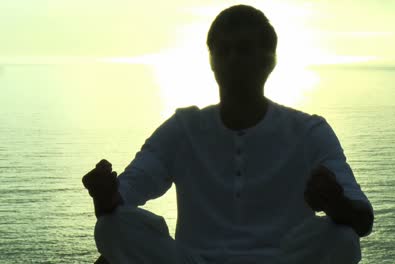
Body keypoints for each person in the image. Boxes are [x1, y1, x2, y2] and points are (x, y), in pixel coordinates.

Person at [82, 4, 374, 264]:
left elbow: (362, 219)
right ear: (211, 61)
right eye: (223, 50)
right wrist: (105, 195)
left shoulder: (309, 132)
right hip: (195, 260)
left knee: (343, 238)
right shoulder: (183, 129)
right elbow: (125, 195)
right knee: (112, 226)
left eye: (244, 49)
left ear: (269, 60)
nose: (233, 59)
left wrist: (337, 204)